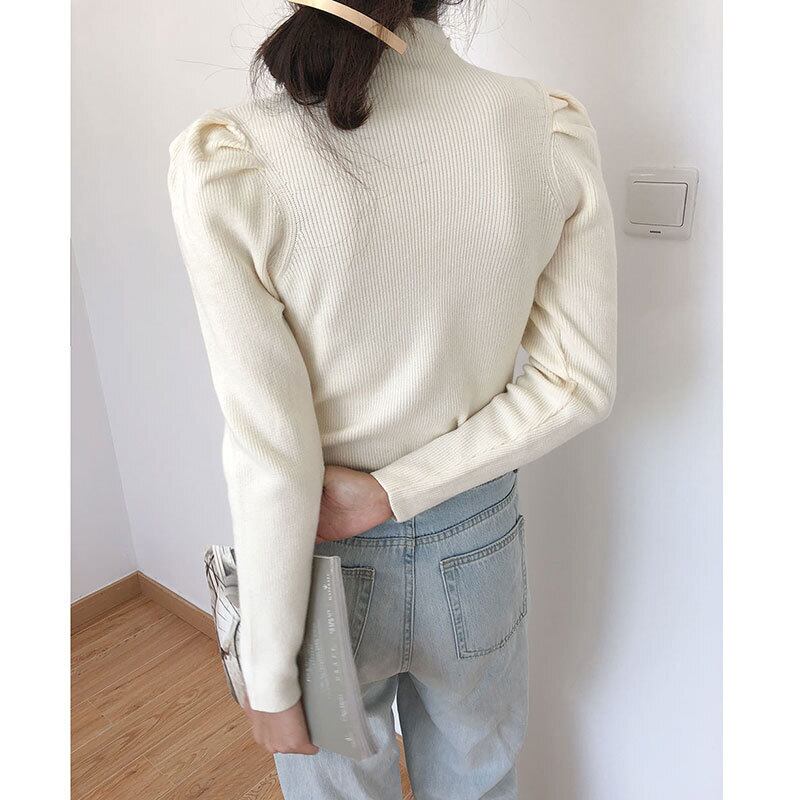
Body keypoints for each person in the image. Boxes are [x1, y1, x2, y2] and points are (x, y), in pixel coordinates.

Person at [167, 2, 616, 797]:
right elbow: (576, 382)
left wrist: (269, 674)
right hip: (477, 544)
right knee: (480, 781)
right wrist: (401, 490)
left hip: (318, 557)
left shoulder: (233, 159)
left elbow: (272, 454)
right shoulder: (543, 129)